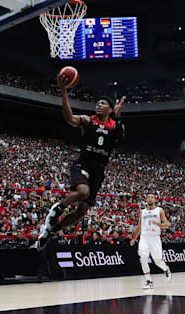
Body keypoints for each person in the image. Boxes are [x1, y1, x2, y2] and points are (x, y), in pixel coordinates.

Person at [35, 72, 126, 250]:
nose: (98, 105)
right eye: (97, 103)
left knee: (82, 210)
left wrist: (118, 116)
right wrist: (63, 93)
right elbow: (69, 119)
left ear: (109, 109)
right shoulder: (88, 121)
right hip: (83, 164)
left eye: (103, 103)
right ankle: (58, 209)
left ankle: (52, 230)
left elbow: (121, 134)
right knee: (83, 192)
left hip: (99, 170)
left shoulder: (115, 126)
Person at [130, 193, 172, 289]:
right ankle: (149, 281)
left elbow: (167, 225)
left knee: (157, 260)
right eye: (148, 197)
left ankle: (166, 269)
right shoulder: (142, 212)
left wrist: (158, 224)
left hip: (155, 237)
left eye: (152, 197)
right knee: (143, 257)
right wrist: (134, 238)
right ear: (146, 199)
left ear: (155, 200)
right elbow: (139, 226)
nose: (149, 199)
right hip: (144, 237)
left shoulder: (159, 210)